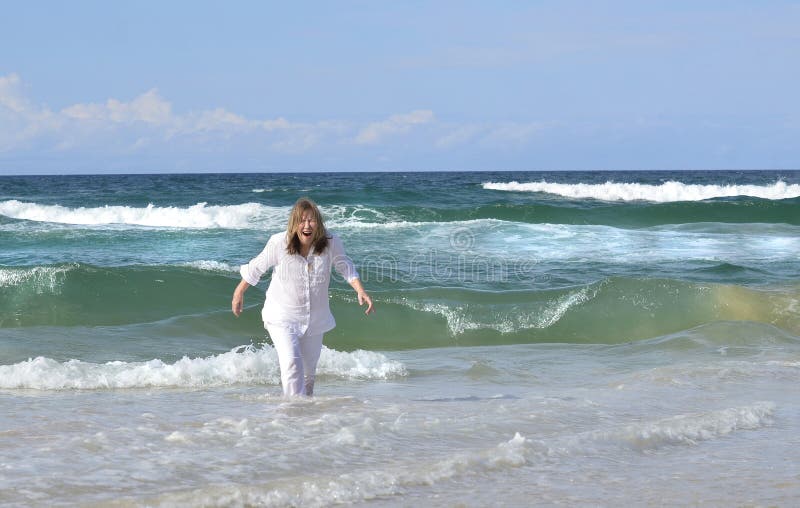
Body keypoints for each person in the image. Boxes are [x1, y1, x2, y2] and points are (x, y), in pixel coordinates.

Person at [232, 197, 374, 396]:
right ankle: (293, 411)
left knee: (309, 376)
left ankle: (305, 420)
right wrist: (239, 293)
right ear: (294, 223)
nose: (307, 225)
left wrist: (360, 290)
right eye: (302, 220)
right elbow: (256, 268)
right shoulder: (278, 243)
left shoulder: (331, 243)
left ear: (319, 223)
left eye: (311, 220)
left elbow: (345, 267)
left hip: (315, 319)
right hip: (282, 316)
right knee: (291, 363)